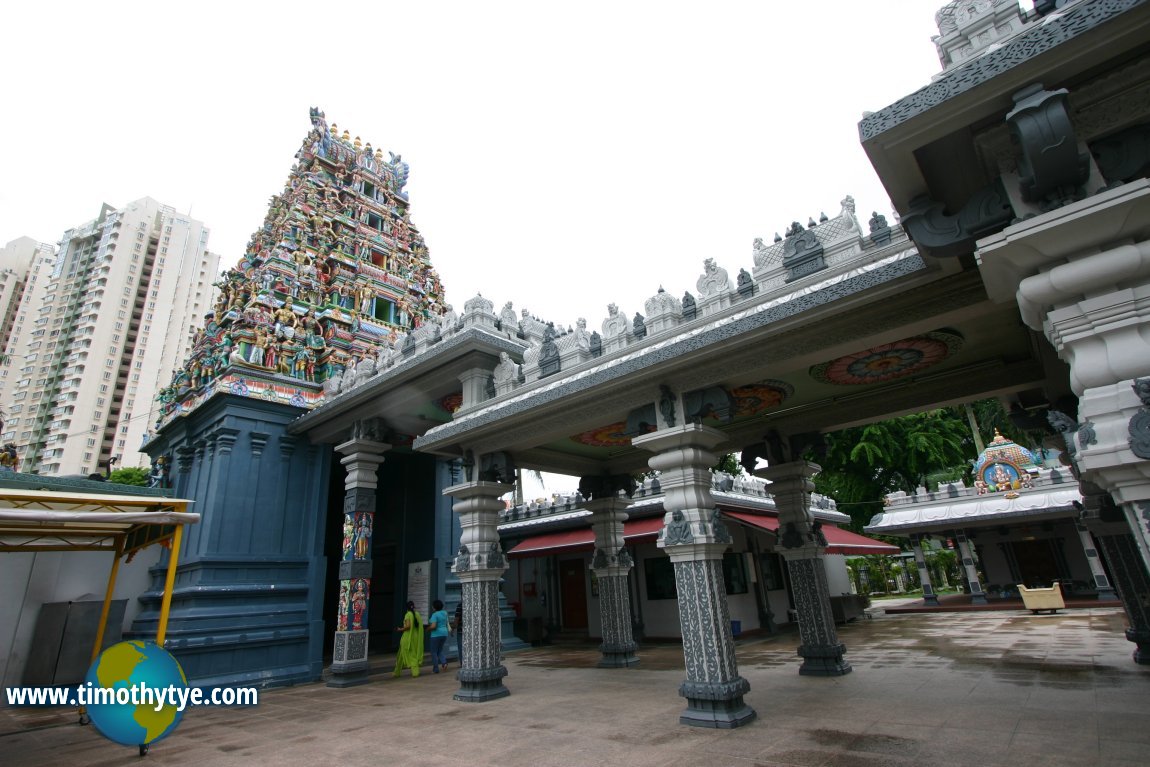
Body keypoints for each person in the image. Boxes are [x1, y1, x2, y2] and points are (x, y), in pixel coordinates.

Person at [393, 601, 424, 678]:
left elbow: (408, 626)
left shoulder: (408, 615)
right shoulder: (417, 614)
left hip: (407, 638)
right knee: (401, 654)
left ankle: (415, 672)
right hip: (416, 637)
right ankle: (396, 672)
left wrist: (400, 629)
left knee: (410, 654)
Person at [427, 599, 450, 673]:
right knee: (439, 650)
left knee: (434, 652)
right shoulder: (445, 613)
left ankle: (435, 669)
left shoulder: (435, 615)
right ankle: (444, 663)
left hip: (436, 635)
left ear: (434, 607)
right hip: (444, 633)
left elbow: (433, 626)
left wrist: (428, 629)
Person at [452, 600, 463, 665]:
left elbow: (457, 618)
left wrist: (453, 628)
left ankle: (463, 663)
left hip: (461, 630)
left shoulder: (460, 605)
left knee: (461, 647)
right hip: (472, 630)